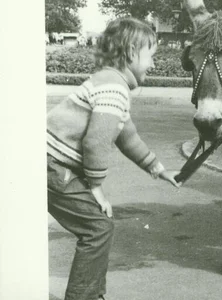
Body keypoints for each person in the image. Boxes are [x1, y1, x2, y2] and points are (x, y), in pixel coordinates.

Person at [47, 17, 181, 300]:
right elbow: (96, 141)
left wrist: (159, 169)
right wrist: (96, 188)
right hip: (52, 166)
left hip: (50, 164)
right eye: (151, 57)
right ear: (132, 53)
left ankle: (92, 294)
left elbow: (127, 137)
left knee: (99, 226)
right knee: (97, 227)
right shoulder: (114, 88)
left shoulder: (110, 82)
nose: (154, 65)